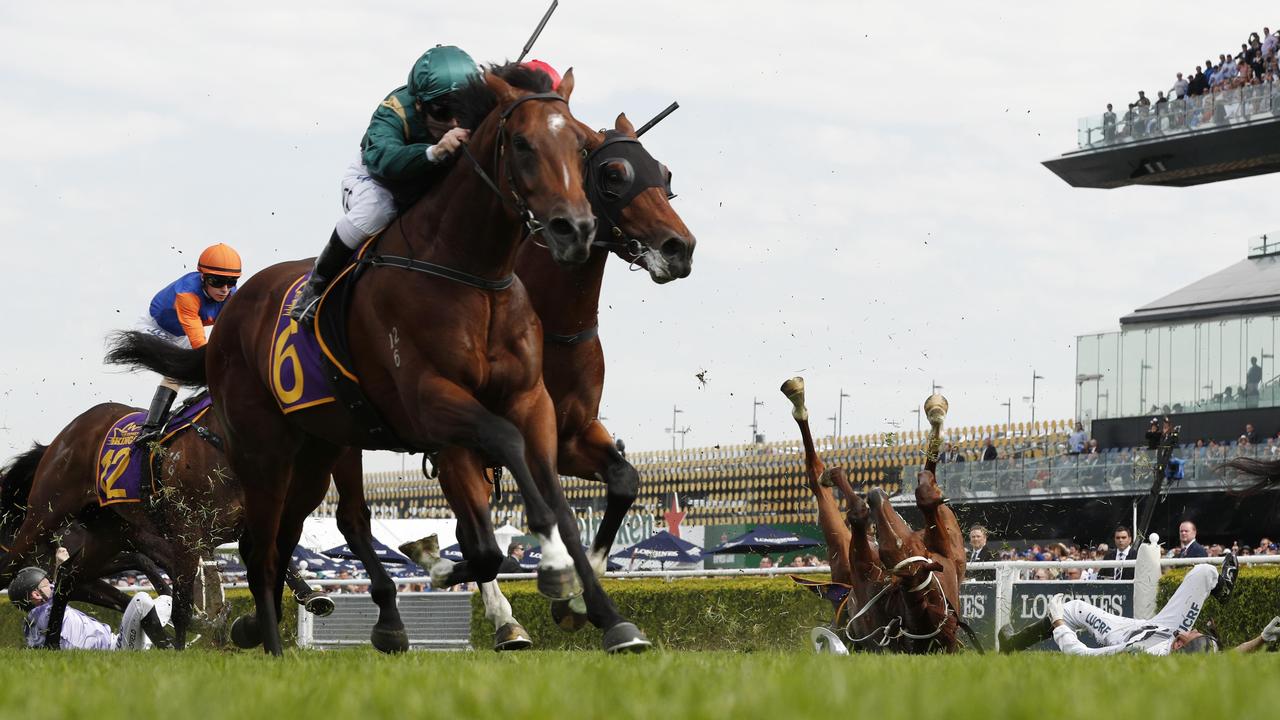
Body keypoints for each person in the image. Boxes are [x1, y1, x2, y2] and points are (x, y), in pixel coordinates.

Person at [291, 45, 481, 324]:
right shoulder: (394, 111)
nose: (454, 121)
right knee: (377, 209)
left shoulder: (474, 112)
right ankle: (315, 289)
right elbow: (383, 160)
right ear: (419, 104)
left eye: (462, 111)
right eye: (442, 111)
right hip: (377, 179)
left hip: (428, 185)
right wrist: (435, 151)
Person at [998, 554, 1269, 655]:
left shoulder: (1139, 652)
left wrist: (1058, 623)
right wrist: (1262, 639)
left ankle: (1013, 644)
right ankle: (1221, 590)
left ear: (1179, 644)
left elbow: (1081, 655)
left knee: (1074, 608)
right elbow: (1231, 658)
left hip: (1128, 634)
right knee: (1204, 573)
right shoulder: (1195, 655)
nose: (1194, 628)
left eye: (1194, 633)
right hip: (1162, 628)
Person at [139, 243, 242, 440]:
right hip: (155, 329)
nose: (224, 289)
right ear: (203, 277)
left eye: (231, 281)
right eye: (217, 281)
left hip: (182, 333)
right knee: (178, 370)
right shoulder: (187, 295)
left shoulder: (231, 295)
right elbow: (199, 344)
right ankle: (149, 428)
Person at [8, 566, 173, 650]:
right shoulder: (41, 614)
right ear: (36, 595)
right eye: (46, 585)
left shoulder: (35, 620)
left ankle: (148, 643)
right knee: (141, 600)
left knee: (164, 600)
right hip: (117, 650)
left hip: (118, 641)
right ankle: (167, 650)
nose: (51, 585)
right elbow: (61, 593)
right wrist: (60, 565)